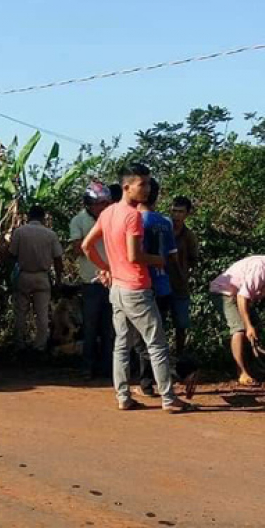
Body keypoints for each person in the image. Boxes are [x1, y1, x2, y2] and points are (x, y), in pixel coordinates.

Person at [81, 163, 188, 413]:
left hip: (117, 288)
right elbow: (134, 255)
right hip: (137, 288)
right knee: (157, 343)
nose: (147, 189)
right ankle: (169, 398)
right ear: (126, 187)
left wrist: (106, 268)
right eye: (143, 184)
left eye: (149, 183)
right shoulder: (132, 216)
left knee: (121, 344)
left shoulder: (107, 213)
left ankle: (123, 396)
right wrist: (159, 259)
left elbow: (87, 246)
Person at [134, 178, 178, 395]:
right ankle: (159, 379)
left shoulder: (136, 220)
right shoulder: (165, 222)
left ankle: (146, 383)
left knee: (142, 338)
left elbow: (134, 256)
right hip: (164, 285)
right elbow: (172, 257)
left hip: (143, 285)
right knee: (159, 335)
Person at [209, 255, 265, 385]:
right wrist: (248, 326)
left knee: (257, 328)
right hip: (224, 292)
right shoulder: (263, 267)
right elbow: (243, 296)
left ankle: (253, 367)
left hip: (240, 294)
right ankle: (241, 372)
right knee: (240, 329)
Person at [69, 182, 113, 379]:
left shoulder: (112, 219)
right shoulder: (78, 221)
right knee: (90, 327)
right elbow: (78, 249)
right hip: (91, 281)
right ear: (88, 204)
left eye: (105, 203)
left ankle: (107, 368)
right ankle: (87, 367)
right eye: (98, 203)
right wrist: (95, 235)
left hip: (112, 280)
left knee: (109, 328)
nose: (102, 207)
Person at [9, 204, 64, 352]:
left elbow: (12, 255)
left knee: (21, 312)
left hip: (24, 274)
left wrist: (9, 277)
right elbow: (58, 259)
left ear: (28, 216)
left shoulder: (20, 232)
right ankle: (40, 346)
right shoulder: (50, 234)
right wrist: (58, 279)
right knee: (42, 314)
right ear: (43, 218)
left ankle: (19, 344)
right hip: (42, 276)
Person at [168, 196, 199, 357]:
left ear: (187, 214)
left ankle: (180, 358)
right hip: (160, 284)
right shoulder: (162, 229)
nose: (176, 215)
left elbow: (194, 259)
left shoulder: (189, 236)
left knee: (181, 325)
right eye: (174, 211)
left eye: (180, 212)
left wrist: (184, 272)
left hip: (180, 285)